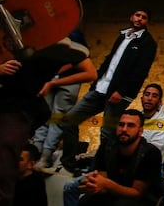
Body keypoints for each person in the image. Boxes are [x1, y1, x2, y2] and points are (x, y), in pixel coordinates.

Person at [0, 42, 91, 206]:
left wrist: (53, 82)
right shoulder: (15, 41)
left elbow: (90, 73)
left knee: (2, 171)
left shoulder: (63, 47)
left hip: (18, 109)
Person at [60, 9, 157, 172]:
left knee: (107, 133)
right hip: (100, 88)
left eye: (144, 17)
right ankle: (69, 164)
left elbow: (140, 72)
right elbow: (110, 60)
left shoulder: (147, 42)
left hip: (118, 94)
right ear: (131, 16)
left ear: (147, 22)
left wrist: (122, 91)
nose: (139, 19)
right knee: (69, 119)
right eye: (137, 15)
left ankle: (100, 170)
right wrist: (96, 80)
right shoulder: (122, 36)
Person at [64, 109, 162, 206]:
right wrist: (93, 185)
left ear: (140, 131)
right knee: (84, 198)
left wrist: (106, 184)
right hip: (110, 193)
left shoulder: (150, 153)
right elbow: (101, 180)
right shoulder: (107, 146)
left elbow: (137, 193)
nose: (124, 129)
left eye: (130, 125)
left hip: (140, 200)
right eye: (121, 124)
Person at [33, 29, 96, 171]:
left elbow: (81, 59)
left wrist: (56, 70)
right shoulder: (49, 33)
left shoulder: (75, 34)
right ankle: (34, 154)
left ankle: (44, 157)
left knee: (57, 118)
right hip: (49, 79)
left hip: (69, 80)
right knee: (44, 115)